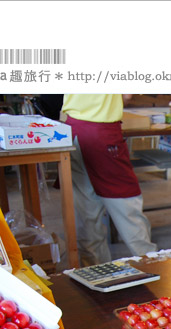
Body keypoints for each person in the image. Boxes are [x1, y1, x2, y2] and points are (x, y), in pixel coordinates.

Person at [62, 94, 157, 266]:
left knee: (86, 213)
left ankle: (99, 275)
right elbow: (127, 96)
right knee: (126, 207)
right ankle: (152, 266)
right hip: (102, 135)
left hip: (73, 132)